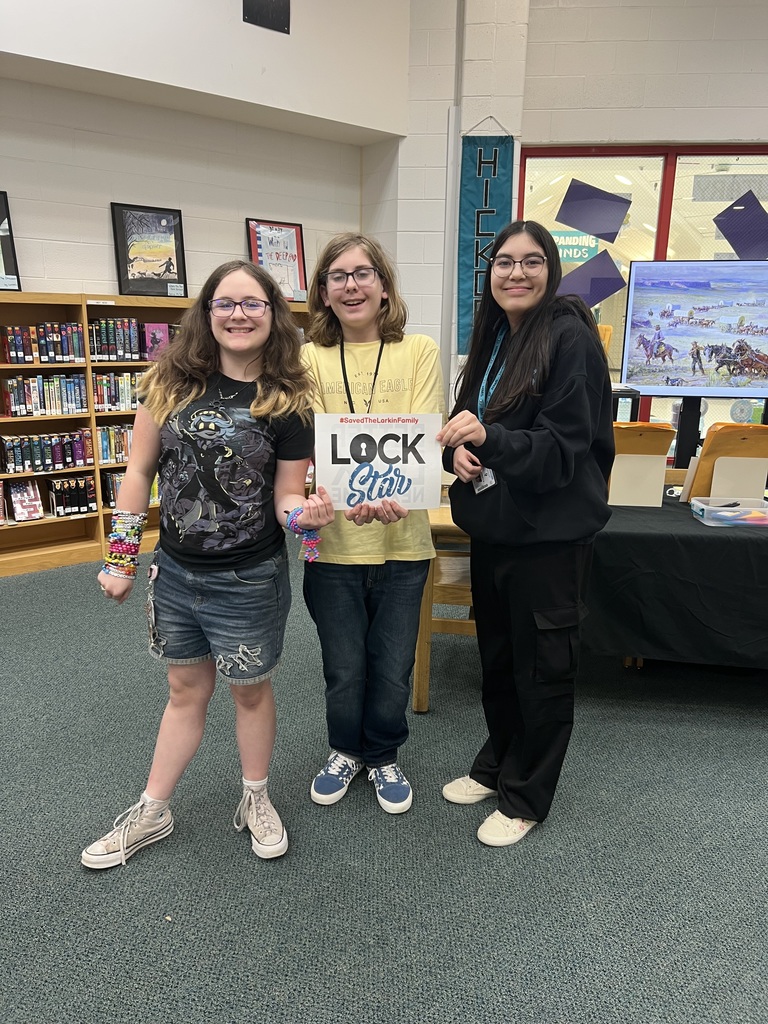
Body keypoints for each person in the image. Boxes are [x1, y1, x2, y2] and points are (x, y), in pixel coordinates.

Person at [81, 259, 334, 869]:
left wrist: (306, 520)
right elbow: (138, 473)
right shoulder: (167, 383)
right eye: (226, 303)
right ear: (208, 312)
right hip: (176, 574)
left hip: (250, 578)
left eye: (253, 304)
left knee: (250, 691)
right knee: (183, 690)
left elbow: (285, 499)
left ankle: (255, 798)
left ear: (273, 316)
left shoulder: (289, 401)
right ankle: (153, 809)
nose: (239, 314)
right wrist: (120, 557)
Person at [437, 220, 614, 848]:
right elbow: (474, 425)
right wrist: (458, 455)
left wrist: (490, 439)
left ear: (551, 271)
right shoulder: (495, 338)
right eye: (505, 261)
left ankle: (528, 796)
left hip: (550, 539)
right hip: (497, 530)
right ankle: (498, 762)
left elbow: (563, 452)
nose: (516, 272)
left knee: (543, 669)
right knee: (500, 660)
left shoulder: (570, 339)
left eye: (531, 261)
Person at [301, 233, 444, 814]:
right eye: (338, 275)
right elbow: (304, 445)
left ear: (384, 287)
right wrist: (332, 492)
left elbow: (421, 433)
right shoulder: (305, 357)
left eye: (363, 274)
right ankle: (344, 750)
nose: (351, 284)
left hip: (403, 539)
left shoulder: (421, 351)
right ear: (324, 292)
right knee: (343, 667)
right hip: (327, 541)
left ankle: (383, 754)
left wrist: (395, 493)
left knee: (392, 666)